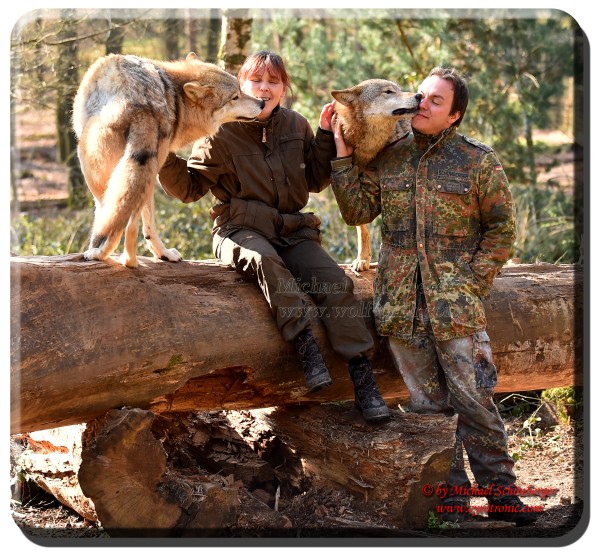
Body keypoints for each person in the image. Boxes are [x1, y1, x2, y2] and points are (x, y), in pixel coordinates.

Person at [329, 66, 537, 525]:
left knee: (476, 402)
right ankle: (452, 504)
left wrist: (471, 282)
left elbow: (502, 228)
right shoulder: (390, 155)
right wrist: (343, 156)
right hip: (401, 308)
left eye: (436, 101)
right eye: (421, 95)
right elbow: (357, 211)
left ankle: (502, 496)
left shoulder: (477, 160)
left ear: (455, 115)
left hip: (456, 309)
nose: (422, 104)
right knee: (428, 412)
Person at [158, 50, 390, 423]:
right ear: (241, 85)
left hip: (293, 231)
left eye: (273, 81)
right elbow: (188, 189)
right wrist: (163, 149)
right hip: (239, 228)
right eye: (256, 81)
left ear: (283, 89)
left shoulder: (296, 125)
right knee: (266, 261)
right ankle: (305, 347)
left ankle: (362, 377)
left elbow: (314, 179)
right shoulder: (219, 129)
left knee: (335, 283)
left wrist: (326, 136)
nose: (264, 88)